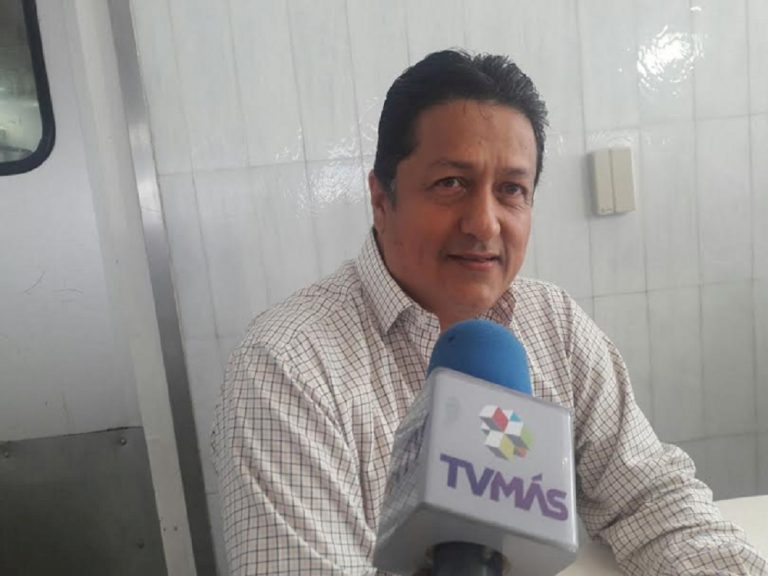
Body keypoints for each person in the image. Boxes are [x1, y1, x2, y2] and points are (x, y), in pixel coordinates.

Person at [212, 50, 767, 575]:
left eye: (511, 189)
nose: (484, 223)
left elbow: (650, 499)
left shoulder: (554, 324)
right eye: (451, 184)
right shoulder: (287, 367)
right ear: (382, 200)